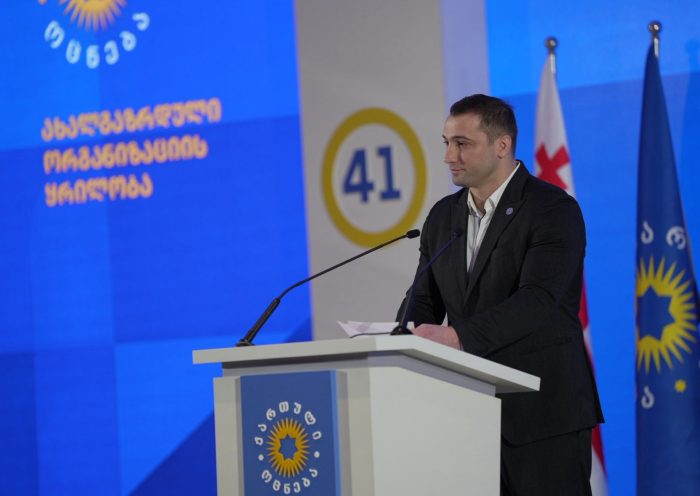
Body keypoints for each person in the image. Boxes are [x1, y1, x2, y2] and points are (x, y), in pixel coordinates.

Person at [397, 94, 603, 495]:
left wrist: (455, 337)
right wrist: (401, 335)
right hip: (467, 415)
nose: (449, 156)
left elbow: (538, 302)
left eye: (462, 144)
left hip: (543, 417)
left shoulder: (552, 209)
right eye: (447, 142)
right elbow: (423, 297)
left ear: (502, 145)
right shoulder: (442, 216)